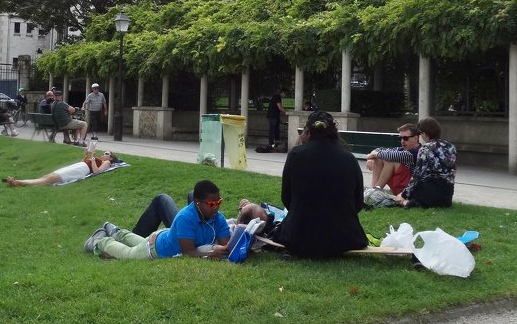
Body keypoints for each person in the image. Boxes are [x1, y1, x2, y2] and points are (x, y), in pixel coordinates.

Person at [272, 110, 369, 257]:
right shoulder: (349, 158)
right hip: (344, 237)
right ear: (334, 131)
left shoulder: (296, 155)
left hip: (299, 235)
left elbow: (287, 198)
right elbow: (358, 202)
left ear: (308, 132)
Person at [84, 180, 231, 260]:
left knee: (140, 242)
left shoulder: (218, 218)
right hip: (156, 249)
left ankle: (116, 231)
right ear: (198, 202)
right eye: (212, 204)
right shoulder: (186, 218)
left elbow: (227, 246)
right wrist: (210, 254)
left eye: (219, 202)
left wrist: (227, 249)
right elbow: (188, 252)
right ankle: (99, 241)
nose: (216, 207)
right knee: (127, 254)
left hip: (163, 236)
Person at [128, 193, 272, 238]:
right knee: (194, 194)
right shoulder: (243, 230)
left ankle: (137, 236)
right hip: (205, 226)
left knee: (162, 200)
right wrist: (244, 210)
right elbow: (242, 221)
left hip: (193, 231)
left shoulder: (229, 230)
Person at [394, 116, 457, 209]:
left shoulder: (425, 148)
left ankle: (406, 202)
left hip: (430, 191)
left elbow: (418, 175)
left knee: (405, 197)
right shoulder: (451, 147)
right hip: (447, 194)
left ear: (425, 133)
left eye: (420, 133)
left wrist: (403, 194)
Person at [364, 123, 420, 205]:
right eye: (400, 138)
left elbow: (390, 155)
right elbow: (379, 149)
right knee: (379, 157)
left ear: (416, 138)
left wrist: (371, 155)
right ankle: (373, 189)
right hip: (400, 187)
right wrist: (371, 157)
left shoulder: (418, 152)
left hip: (409, 190)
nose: (402, 141)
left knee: (389, 160)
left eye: (405, 138)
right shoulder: (402, 150)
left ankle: (375, 191)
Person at [5, 150, 122, 187]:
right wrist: (86, 157)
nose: (104, 154)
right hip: (80, 166)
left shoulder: (106, 162)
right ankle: (21, 182)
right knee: (48, 176)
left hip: (82, 170)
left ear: (111, 158)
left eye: (107, 153)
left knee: (51, 179)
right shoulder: (101, 159)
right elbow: (88, 163)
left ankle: (18, 182)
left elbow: (96, 171)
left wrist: (92, 159)